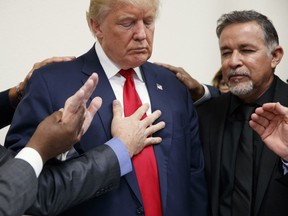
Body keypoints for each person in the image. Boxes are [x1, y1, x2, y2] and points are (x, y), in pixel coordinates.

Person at [4, 0, 208, 215]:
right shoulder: (51, 82)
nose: (141, 34)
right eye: (127, 23)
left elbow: (194, 174)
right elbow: (20, 177)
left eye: (148, 22)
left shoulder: (173, 84)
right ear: (96, 26)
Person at [160, 10, 288, 216]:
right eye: (226, 52)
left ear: (275, 56)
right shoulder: (205, 115)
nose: (233, 61)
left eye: (246, 50)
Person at [1, 66, 165, 215]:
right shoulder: (47, 80)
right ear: (97, 30)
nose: (141, 35)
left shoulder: (170, 84)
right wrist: (39, 148)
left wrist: (14, 94)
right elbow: (33, 192)